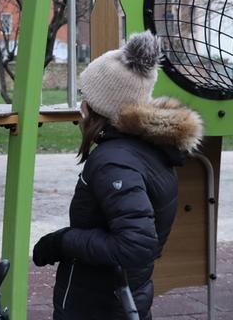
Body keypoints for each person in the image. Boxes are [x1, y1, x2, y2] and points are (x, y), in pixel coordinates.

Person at [32, 31, 203, 319]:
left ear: (99, 107)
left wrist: (63, 242)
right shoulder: (145, 150)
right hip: (123, 297)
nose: (81, 106)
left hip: (98, 305)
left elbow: (136, 244)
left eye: (85, 97)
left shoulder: (113, 162)